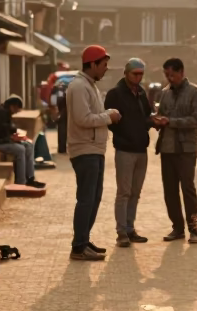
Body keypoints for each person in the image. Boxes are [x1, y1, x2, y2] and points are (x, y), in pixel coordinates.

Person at [66, 44, 121, 261]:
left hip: (95, 149)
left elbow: (93, 114)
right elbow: (83, 119)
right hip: (84, 149)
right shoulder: (79, 86)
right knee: (86, 199)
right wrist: (109, 117)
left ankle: (83, 239)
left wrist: (107, 113)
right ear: (92, 64)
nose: (106, 69)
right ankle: (78, 246)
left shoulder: (90, 86)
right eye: (103, 65)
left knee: (94, 198)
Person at [104, 57, 156, 247]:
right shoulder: (115, 94)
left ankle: (130, 228)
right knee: (124, 192)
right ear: (126, 73)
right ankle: (121, 232)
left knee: (135, 192)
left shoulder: (141, 93)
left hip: (141, 149)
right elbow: (109, 120)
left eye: (141, 74)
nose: (138, 77)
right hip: (125, 149)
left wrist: (154, 122)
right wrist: (125, 134)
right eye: (135, 74)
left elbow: (145, 116)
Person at [156, 57, 197, 243]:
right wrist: (158, 121)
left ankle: (194, 229)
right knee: (170, 190)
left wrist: (172, 122)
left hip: (186, 149)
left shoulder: (195, 92)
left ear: (181, 72)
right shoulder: (164, 93)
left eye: (172, 74)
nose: (170, 78)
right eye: (167, 75)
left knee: (187, 188)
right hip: (167, 148)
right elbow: (162, 115)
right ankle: (177, 228)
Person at [0, 94, 44, 188]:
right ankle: (21, 182)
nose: (16, 112)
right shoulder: (0, 112)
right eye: (16, 109)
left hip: (3, 141)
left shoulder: (6, 112)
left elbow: (9, 129)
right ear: (12, 106)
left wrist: (15, 137)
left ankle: (30, 178)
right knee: (20, 149)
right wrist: (13, 139)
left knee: (29, 145)